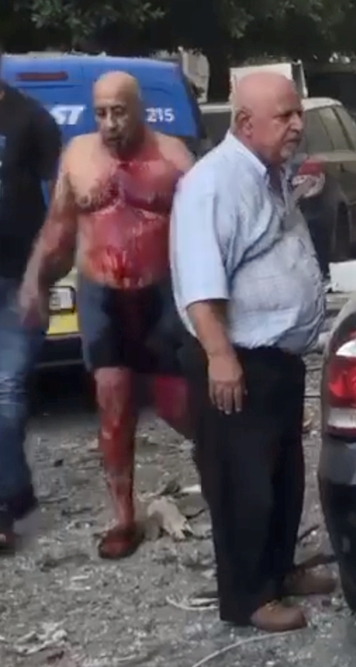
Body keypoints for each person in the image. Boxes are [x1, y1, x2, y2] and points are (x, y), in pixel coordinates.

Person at [170, 71, 336, 633]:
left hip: (276, 361)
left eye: (298, 114)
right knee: (242, 484)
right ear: (244, 123)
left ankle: (279, 571)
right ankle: (247, 598)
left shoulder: (267, 173)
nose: (297, 125)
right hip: (237, 359)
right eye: (285, 116)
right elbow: (200, 282)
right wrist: (220, 356)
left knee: (282, 476)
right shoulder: (213, 183)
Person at [18, 71, 194, 560]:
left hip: (159, 293)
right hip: (102, 294)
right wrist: (36, 280)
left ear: (139, 110)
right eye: (102, 113)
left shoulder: (174, 158)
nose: (111, 123)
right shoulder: (77, 157)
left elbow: (208, 231)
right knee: (113, 406)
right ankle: (122, 517)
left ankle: (222, 472)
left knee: (178, 404)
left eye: (120, 111)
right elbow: (58, 229)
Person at [0, 43, 63, 554]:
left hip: (15, 278)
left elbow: (57, 209)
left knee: (7, 394)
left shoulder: (31, 119)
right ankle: (11, 500)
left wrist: (40, 277)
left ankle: (11, 498)